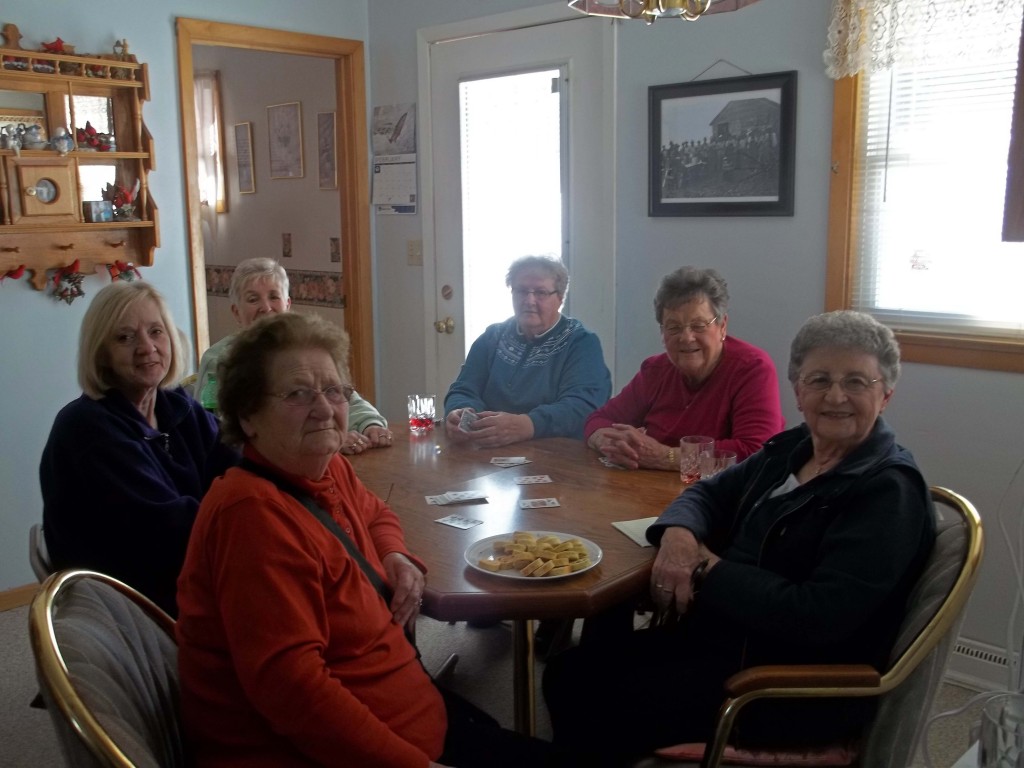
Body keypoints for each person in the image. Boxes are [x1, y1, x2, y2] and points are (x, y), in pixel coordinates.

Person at [543, 310, 936, 765]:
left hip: (779, 686)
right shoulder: (793, 448)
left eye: (856, 382)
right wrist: (680, 535)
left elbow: (815, 617)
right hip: (724, 641)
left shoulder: (887, 492)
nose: (835, 396)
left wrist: (706, 567)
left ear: (885, 395)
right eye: (819, 380)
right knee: (570, 671)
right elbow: (709, 491)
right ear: (798, 391)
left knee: (592, 697)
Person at [176, 312, 558, 768]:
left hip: (406, 705)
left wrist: (393, 553)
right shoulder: (251, 516)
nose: (323, 408)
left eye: (333, 390)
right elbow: (295, 694)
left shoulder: (324, 465)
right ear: (248, 416)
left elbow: (376, 512)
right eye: (298, 393)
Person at [40, 281, 238, 617]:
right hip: (132, 603)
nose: (147, 348)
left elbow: (236, 467)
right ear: (101, 353)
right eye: (125, 337)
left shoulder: (176, 406)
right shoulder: (87, 428)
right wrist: (250, 514)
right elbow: (167, 530)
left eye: (156, 332)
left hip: (187, 572)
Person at [585, 266, 783, 470]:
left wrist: (665, 456)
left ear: (722, 326)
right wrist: (608, 442)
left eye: (698, 325)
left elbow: (755, 450)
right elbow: (598, 419)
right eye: (673, 327)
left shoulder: (752, 368)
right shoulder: (655, 370)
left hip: (723, 496)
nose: (686, 337)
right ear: (662, 333)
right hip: (651, 490)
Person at [196, 256, 392, 453]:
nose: (266, 307)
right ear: (236, 312)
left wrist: (370, 425)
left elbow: (341, 398)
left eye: (274, 297)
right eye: (253, 299)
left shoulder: (307, 351)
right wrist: (326, 439)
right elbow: (218, 431)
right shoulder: (219, 360)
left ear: (287, 305)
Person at [444, 255, 611, 448]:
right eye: (521, 291)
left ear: (560, 298)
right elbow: (464, 388)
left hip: (554, 453)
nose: (529, 300)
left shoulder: (581, 343)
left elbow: (583, 407)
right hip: (487, 449)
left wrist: (528, 424)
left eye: (540, 292)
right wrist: (459, 411)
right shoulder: (492, 336)